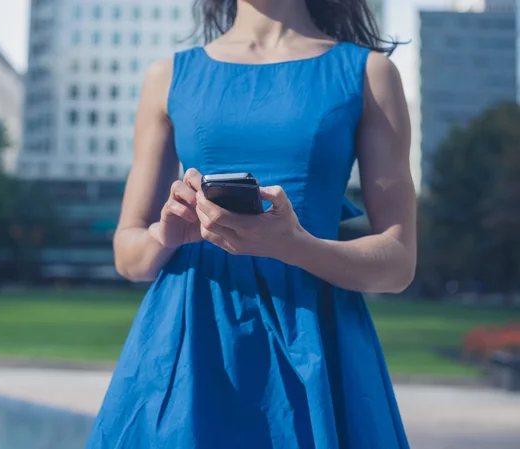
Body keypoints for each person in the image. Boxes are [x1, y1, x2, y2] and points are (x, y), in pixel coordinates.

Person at [86, 0, 416, 447]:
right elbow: (129, 255)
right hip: (189, 345)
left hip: (315, 339)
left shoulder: (369, 73)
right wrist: (165, 234)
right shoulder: (166, 76)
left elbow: (399, 262)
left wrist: (295, 245)